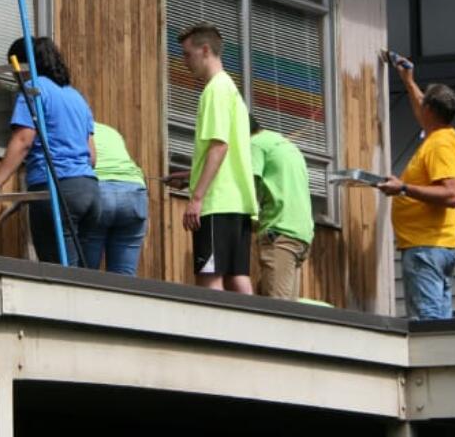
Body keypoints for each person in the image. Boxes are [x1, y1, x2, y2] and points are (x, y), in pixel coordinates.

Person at [0, 37, 100, 266]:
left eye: (13, 69)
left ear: (22, 65)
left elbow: (23, 140)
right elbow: (92, 156)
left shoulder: (33, 91)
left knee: (59, 273)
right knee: (85, 273)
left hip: (56, 189)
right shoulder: (76, 97)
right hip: (89, 191)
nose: (13, 76)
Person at [165, 23, 257, 293]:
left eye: (187, 54)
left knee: (210, 279)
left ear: (205, 50)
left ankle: (212, 335)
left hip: (217, 202)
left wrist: (196, 198)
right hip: (238, 202)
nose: (184, 62)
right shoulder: (232, 90)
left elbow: (219, 147)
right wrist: (190, 179)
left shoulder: (214, 91)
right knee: (238, 277)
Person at [376, 56, 455, 320]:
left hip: (426, 248)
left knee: (428, 323)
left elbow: (451, 194)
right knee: (439, 321)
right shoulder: (441, 134)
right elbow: (424, 109)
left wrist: (403, 188)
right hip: (435, 246)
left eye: (424, 100)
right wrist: (409, 82)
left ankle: (436, 363)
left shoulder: (440, 145)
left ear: (430, 110)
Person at [250, 115, 314, 299]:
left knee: (277, 310)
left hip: (280, 233)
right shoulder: (282, 143)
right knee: (287, 309)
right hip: (301, 235)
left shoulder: (254, 144)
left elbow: (249, 184)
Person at [86, 121, 149, 275]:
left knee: (86, 273)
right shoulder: (111, 131)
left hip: (100, 189)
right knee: (124, 277)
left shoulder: (76, 127)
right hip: (134, 192)